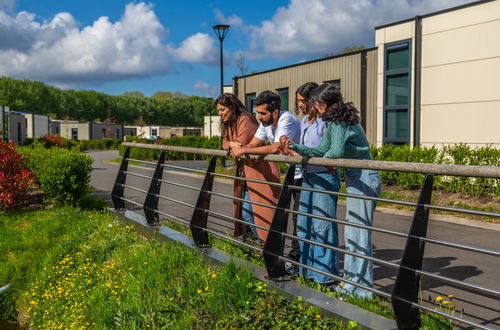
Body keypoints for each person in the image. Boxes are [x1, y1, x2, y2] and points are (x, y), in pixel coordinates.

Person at [281, 83, 382, 299]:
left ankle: (362, 291)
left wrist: (324, 162)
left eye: (315, 104)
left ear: (323, 104)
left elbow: (333, 152)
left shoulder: (339, 121)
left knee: (359, 235)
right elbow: (321, 150)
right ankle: (354, 286)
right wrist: (296, 147)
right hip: (356, 177)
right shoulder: (334, 121)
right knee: (353, 234)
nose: (312, 108)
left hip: (364, 177)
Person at [282, 82, 341, 285]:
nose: (299, 105)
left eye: (302, 101)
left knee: (322, 225)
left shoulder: (327, 121)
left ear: (314, 101)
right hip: (308, 176)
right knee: (304, 224)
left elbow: (331, 148)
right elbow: (309, 149)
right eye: (297, 101)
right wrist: (292, 150)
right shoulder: (306, 121)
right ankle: (307, 271)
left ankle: (326, 277)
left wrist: (327, 161)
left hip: (325, 175)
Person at [230, 90, 301, 243]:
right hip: (291, 171)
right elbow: (253, 143)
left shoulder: (286, 119)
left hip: (303, 173)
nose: (259, 117)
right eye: (258, 113)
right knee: (249, 210)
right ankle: (268, 247)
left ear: (275, 112)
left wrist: (244, 150)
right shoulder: (266, 124)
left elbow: (275, 147)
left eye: (263, 113)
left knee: (299, 218)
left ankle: (292, 257)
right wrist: (238, 147)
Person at [216, 93, 281, 243]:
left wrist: (233, 144)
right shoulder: (229, 122)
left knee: (257, 212)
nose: (220, 114)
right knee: (247, 212)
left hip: (260, 172)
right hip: (246, 172)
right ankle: (260, 245)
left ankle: (265, 246)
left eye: (222, 110)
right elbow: (226, 143)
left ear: (231, 107)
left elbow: (243, 144)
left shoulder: (245, 119)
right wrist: (231, 144)